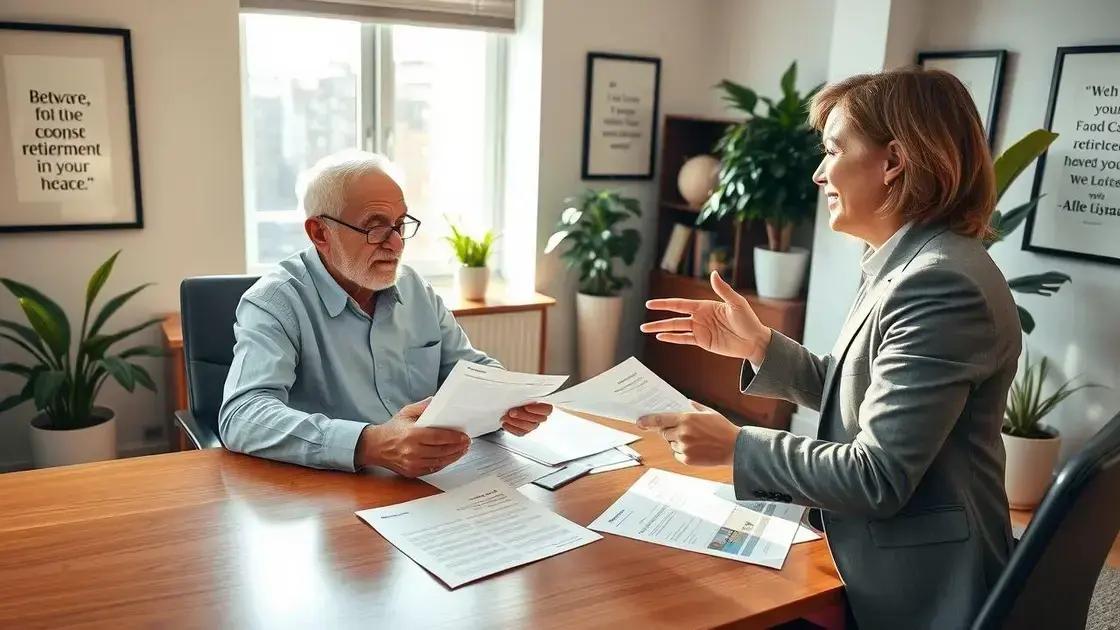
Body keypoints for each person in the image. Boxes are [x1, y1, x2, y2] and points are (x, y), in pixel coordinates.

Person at [637, 68, 1021, 630]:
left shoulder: (939, 284)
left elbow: (877, 475)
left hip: (921, 584)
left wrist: (739, 445)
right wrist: (762, 346)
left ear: (894, 161)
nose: (820, 174)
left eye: (833, 150)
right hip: (887, 546)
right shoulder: (912, 261)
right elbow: (875, 397)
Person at [220, 151, 552, 476]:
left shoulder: (414, 288)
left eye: (400, 224)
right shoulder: (275, 302)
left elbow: (468, 369)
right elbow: (241, 415)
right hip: (329, 496)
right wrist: (369, 444)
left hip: (432, 482)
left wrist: (509, 400)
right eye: (375, 227)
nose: (396, 244)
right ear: (320, 233)